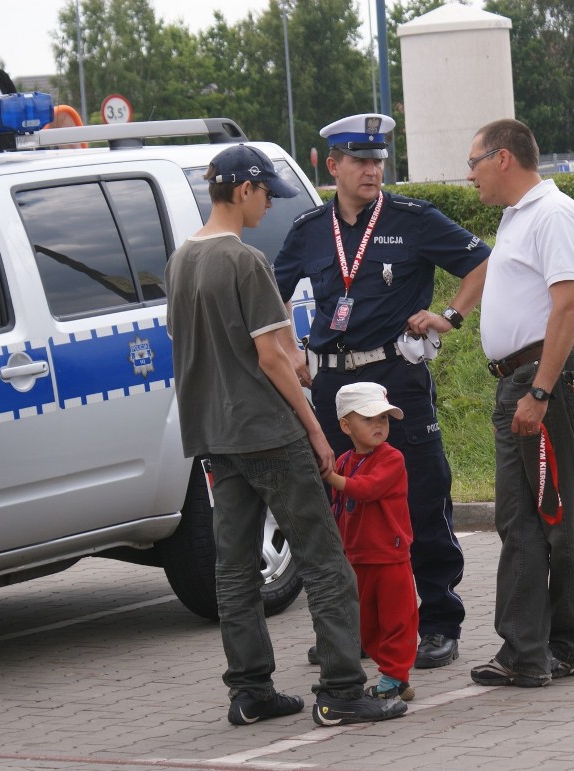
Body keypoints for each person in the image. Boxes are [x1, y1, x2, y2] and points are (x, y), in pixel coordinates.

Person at [164, 143, 407, 727]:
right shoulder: (243, 260)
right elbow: (274, 356)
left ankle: (250, 691)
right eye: (266, 192)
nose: (269, 203)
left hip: (213, 434)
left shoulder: (180, 262)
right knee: (325, 561)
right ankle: (342, 690)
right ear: (243, 190)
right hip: (267, 431)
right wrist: (317, 431)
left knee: (235, 567)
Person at [273, 113, 490, 669]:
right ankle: (349, 630)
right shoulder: (310, 229)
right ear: (333, 166)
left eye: (378, 161)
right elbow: (267, 296)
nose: (372, 171)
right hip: (331, 384)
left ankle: (438, 621)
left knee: (419, 495)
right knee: (338, 505)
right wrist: (290, 351)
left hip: (393, 377)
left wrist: (450, 315)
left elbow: (483, 263)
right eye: (360, 160)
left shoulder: (413, 220)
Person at [466, 119, 574, 687]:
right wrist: (450, 317)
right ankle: (525, 650)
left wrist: (542, 391)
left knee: (560, 516)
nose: (468, 174)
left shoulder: (554, 213)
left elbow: (566, 307)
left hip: (543, 380)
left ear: (502, 158)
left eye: (473, 162)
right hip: (517, 381)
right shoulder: (516, 217)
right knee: (518, 519)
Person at [327, 382, 418, 702]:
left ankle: (394, 674)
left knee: (397, 619)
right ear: (346, 426)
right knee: (367, 624)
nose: (379, 425)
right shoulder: (343, 462)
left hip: (390, 554)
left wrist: (329, 477)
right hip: (359, 555)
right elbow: (338, 508)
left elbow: (366, 489)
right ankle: (395, 673)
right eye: (369, 419)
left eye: (384, 418)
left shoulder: (391, 458)